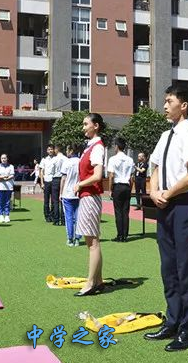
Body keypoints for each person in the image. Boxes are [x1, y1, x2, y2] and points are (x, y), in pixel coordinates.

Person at [144, 86, 188, 352]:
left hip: (183, 206)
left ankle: (187, 330)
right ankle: (172, 321)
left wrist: (166, 193)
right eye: (165, 100)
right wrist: (153, 191)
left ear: (184, 106)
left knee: (185, 268)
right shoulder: (165, 135)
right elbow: (155, 168)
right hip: (165, 204)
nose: (164, 105)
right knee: (168, 267)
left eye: (169, 101)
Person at [73, 113, 106, 297]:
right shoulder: (91, 146)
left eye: (86, 124)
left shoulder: (97, 148)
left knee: (92, 242)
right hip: (87, 196)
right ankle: (98, 281)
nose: (83, 127)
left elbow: (97, 175)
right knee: (92, 241)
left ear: (96, 126)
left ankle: (91, 282)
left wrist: (80, 184)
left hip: (90, 196)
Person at [107, 137, 135, 242]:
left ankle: (120, 235)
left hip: (118, 186)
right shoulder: (130, 159)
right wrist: (130, 188)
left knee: (118, 211)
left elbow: (111, 175)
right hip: (127, 186)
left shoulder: (113, 159)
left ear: (117, 146)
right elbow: (132, 177)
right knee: (125, 211)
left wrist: (110, 189)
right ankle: (125, 235)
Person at [60, 143, 82, 247]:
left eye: (68, 150)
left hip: (67, 193)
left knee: (69, 217)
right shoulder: (80, 161)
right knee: (78, 217)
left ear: (71, 151)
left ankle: (70, 238)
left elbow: (63, 179)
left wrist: (60, 193)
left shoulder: (66, 162)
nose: (66, 152)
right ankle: (77, 238)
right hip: (78, 192)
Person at [39, 145, 57, 223]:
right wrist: (42, 183)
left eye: (51, 149)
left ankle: (53, 215)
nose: (50, 151)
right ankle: (47, 216)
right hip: (46, 181)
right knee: (46, 200)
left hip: (54, 181)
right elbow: (41, 172)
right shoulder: (44, 160)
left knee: (53, 200)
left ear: (54, 150)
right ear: (47, 151)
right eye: (49, 149)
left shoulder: (56, 159)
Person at [0, 154, 14, 223]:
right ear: (0, 159)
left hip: (9, 187)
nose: (3, 159)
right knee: (0, 202)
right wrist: (5, 177)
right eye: (2, 158)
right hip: (0, 187)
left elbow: (12, 175)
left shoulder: (11, 166)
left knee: (7, 202)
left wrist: (5, 178)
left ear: (7, 159)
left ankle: (7, 215)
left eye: (5, 158)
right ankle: (1, 215)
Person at [53, 145, 67, 225]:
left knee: (55, 201)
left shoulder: (54, 159)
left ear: (57, 149)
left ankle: (56, 220)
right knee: (62, 199)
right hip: (63, 178)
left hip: (56, 179)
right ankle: (63, 220)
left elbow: (52, 169)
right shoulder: (65, 159)